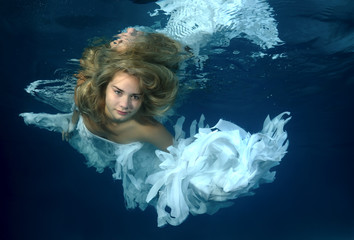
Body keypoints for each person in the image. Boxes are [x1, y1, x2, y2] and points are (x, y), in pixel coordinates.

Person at [20, 28, 291, 227]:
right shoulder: (86, 95)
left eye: (135, 97)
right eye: (117, 92)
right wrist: (72, 122)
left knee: (191, 46)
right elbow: (81, 99)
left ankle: (183, 37)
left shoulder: (148, 129)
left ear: (143, 99)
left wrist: (216, 180)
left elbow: (181, 162)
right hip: (100, 109)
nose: (125, 104)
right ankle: (141, 42)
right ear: (103, 89)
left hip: (170, 66)